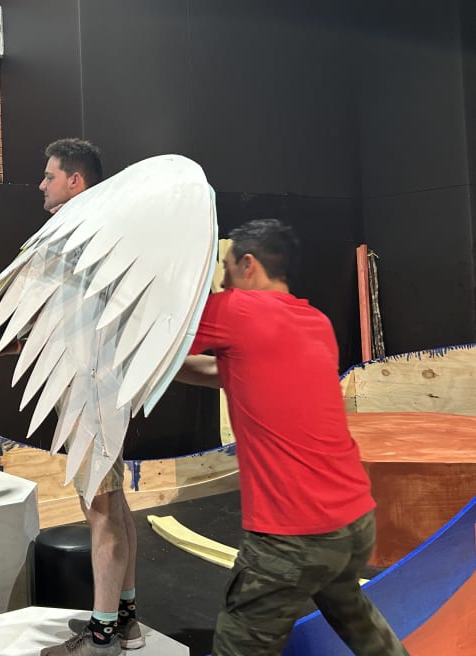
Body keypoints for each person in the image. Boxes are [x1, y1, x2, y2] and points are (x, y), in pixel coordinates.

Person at [175, 219, 409, 656]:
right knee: (357, 620)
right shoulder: (314, 321)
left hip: (293, 536)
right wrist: (165, 374)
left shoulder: (236, 310)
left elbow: (158, 339)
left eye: (226, 268)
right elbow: (226, 372)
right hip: (353, 523)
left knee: (239, 644)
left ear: (248, 264)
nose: (222, 281)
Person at [38, 139, 145, 656]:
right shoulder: (96, 230)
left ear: (74, 181)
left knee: (100, 508)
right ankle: (124, 618)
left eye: (50, 175)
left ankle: (103, 634)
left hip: (93, 388)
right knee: (112, 502)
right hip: (96, 384)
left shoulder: (84, 231)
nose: (42, 183)